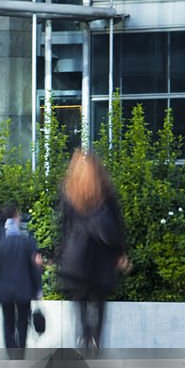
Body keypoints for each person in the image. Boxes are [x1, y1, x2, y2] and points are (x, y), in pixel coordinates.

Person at [57, 149, 128, 351]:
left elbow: (63, 228)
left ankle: (83, 334)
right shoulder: (106, 194)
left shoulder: (70, 194)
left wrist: (59, 255)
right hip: (101, 261)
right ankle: (96, 337)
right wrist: (120, 254)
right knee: (99, 302)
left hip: (76, 260)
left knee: (80, 301)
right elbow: (116, 227)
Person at [0, 202, 42, 356]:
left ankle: (11, 354)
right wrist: (38, 289)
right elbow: (34, 267)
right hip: (23, 289)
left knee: (8, 323)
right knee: (22, 323)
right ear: (15, 217)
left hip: (5, 290)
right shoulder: (26, 242)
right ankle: (20, 354)